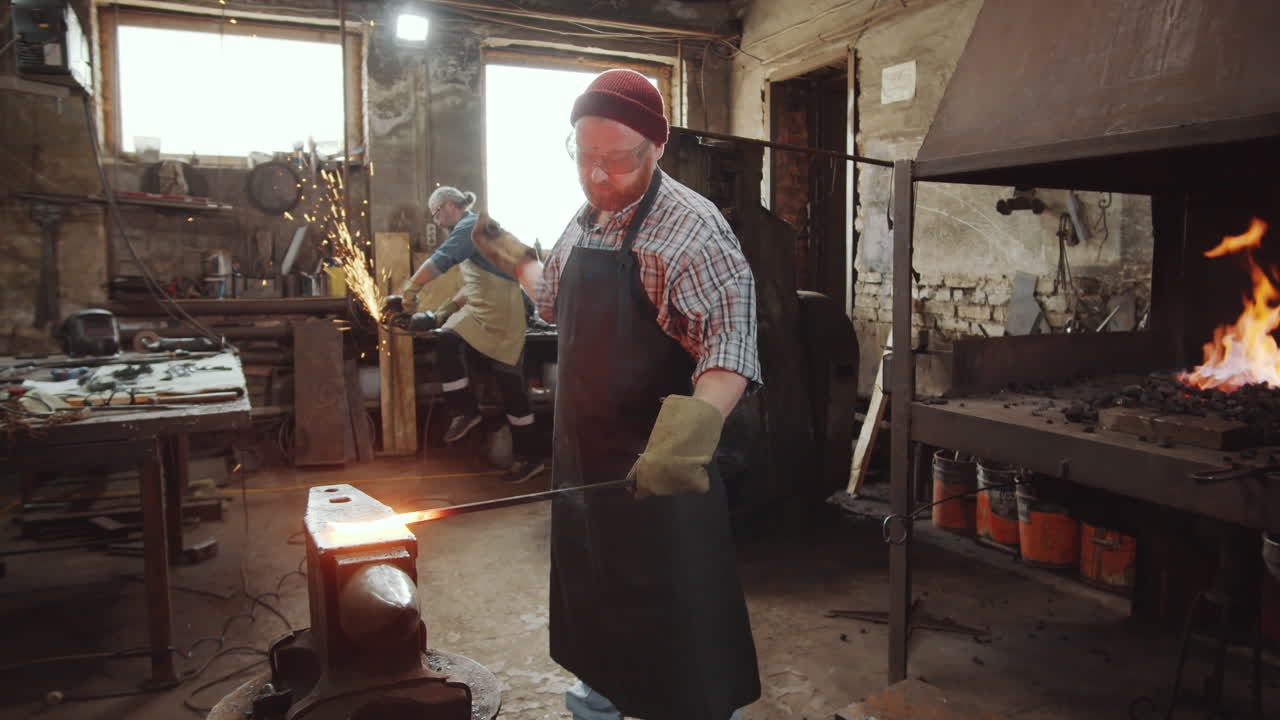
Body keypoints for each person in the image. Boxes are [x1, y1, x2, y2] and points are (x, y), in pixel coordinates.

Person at [472, 69, 762, 720]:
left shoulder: (692, 231)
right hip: (586, 477)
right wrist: (518, 259)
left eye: (618, 161)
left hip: (661, 480)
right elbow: (555, 296)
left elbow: (730, 346)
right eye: (585, 158)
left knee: (682, 654)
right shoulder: (587, 218)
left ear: (657, 148)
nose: (599, 177)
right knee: (597, 634)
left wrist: (687, 438)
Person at [400, 186, 545, 484]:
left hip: (503, 316)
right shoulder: (475, 231)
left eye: (436, 214)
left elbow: (442, 259)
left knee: (512, 390)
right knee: (447, 336)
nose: (437, 222)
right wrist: (443, 310)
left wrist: (410, 289)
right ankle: (464, 411)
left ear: (449, 206)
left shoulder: (470, 228)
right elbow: (477, 283)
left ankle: (529, 457)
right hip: (481, 311)